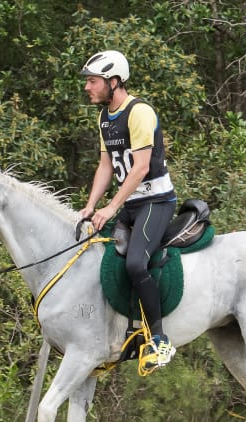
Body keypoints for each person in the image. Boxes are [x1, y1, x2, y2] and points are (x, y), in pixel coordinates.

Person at [79, 50, 177, 371]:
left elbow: (140, 168)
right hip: (131, 204)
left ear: (114, 81)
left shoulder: (140, 112)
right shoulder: (105, 117)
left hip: (155, 202)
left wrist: (110, 207)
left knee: (136, 263)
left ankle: (159, 341)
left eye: (93, 81)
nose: (87, 87)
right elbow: (106, 166)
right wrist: (91, 206)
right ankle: (119, 334)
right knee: (101, 256)